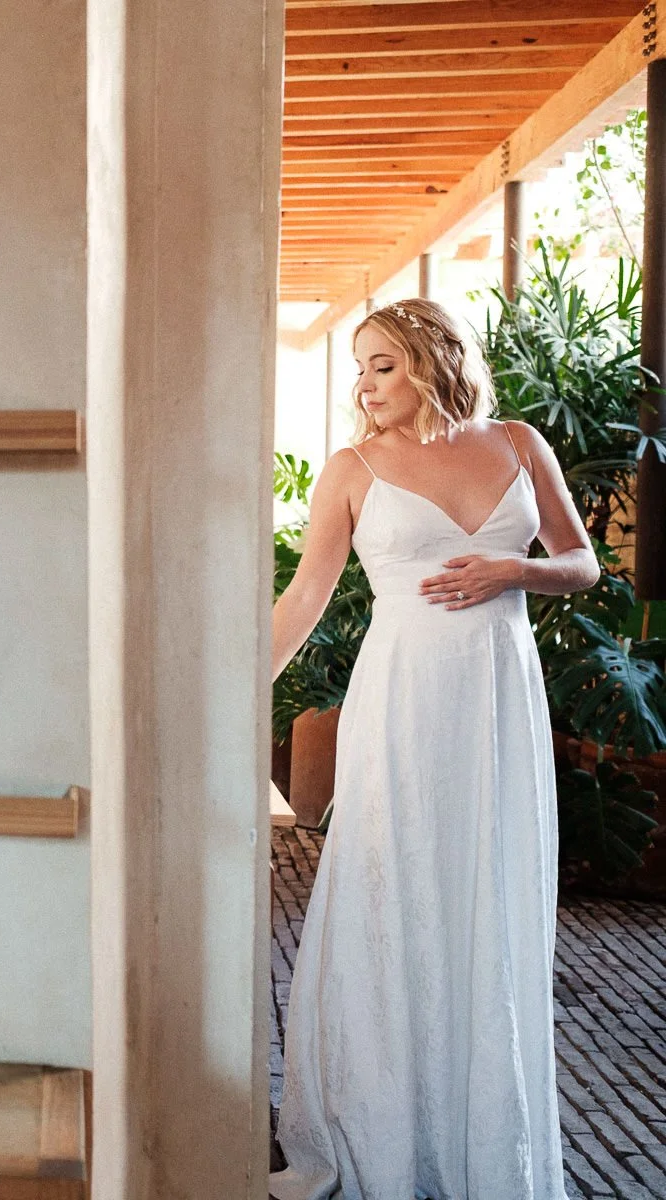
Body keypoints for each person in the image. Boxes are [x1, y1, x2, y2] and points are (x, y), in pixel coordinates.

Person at [268, 297, 599, 1200]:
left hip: (498, 704)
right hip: (402, 702)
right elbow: (301, 605)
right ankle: (380, 1129)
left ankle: (480, 1131)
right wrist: (220, 695)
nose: (364, 385)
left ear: (431, 359)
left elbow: (583, 562)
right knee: (395, 887)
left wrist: (514, 568)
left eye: (382, 364)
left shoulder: (522, 443)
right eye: (359, 367)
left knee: (485, 892)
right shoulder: (351, 469)